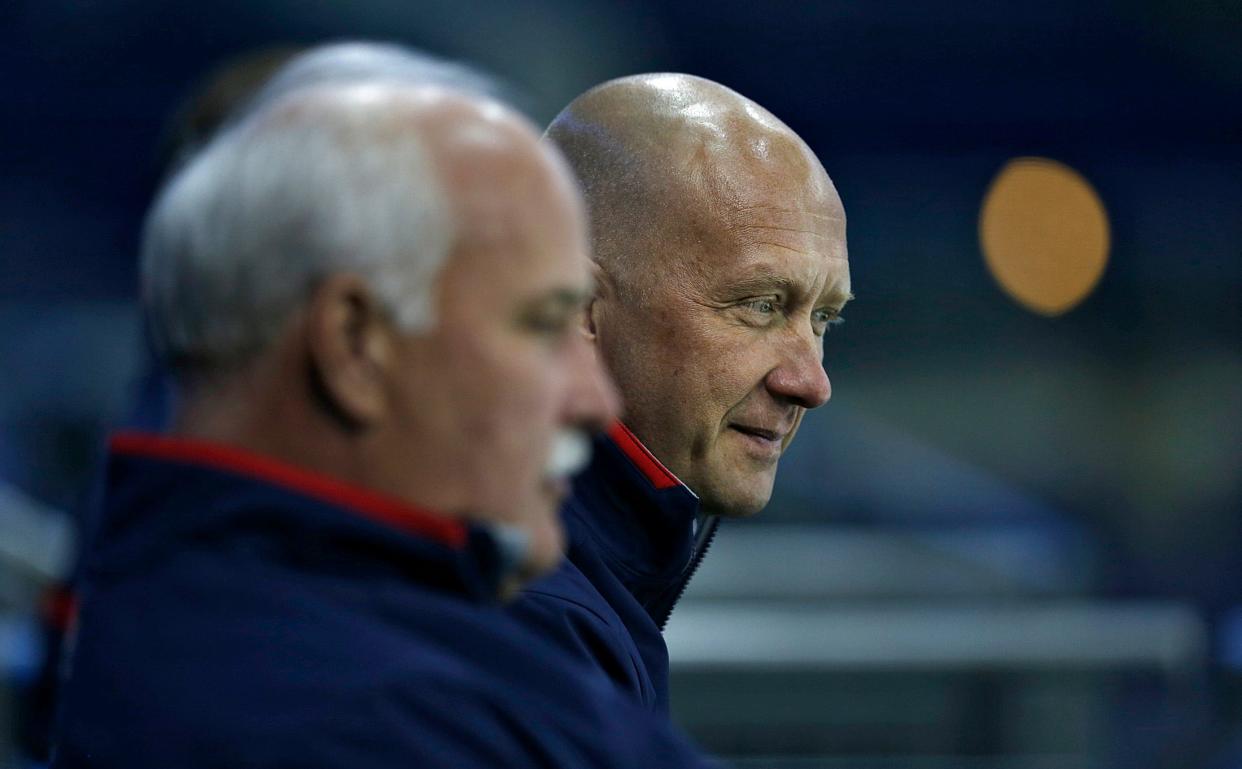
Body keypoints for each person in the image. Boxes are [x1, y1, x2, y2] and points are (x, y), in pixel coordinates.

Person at [51, 68, 715, 767]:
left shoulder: (173, 620)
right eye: (542, 323)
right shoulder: (392, 726)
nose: (596, 400)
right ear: (355, 342)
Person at [510, 73, 853, 713]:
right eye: (760, 305)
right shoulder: (533, 625)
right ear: (578, 306)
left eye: (823, 319)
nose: (810, 383)